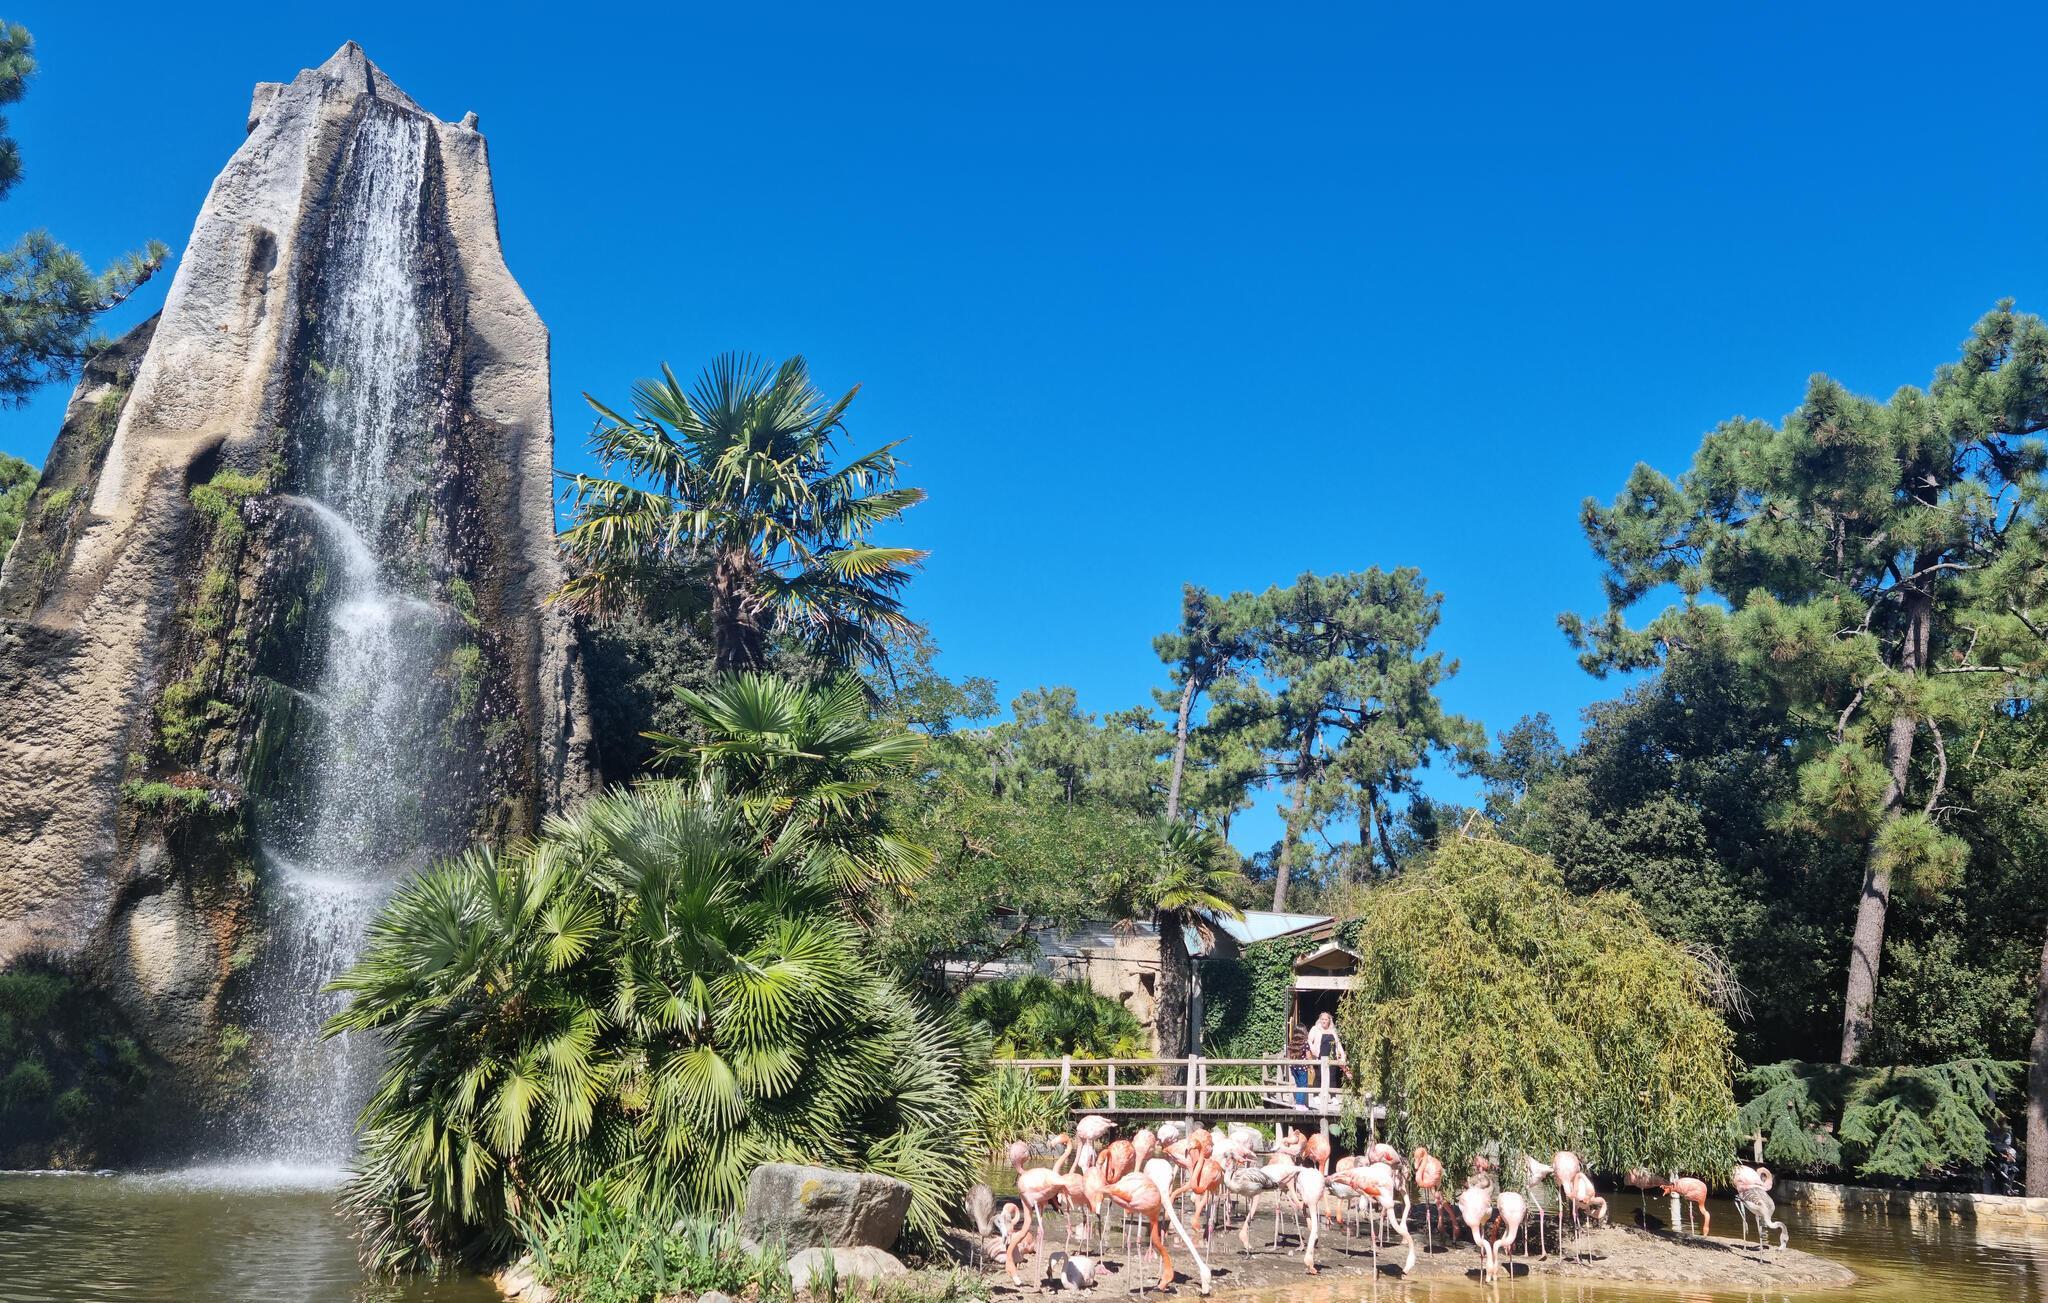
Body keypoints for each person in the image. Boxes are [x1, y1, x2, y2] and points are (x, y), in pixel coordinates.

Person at [1306, 1011, 1345, 1099]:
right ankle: (1316, 1096)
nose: (1324, 1021)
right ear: (1320, 1020)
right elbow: (1309, 1041)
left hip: (1332, 1056)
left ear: (1329, 1020)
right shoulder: (1315, 1029)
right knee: (1318, 1076)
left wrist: (1342, 1055)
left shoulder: (1333, 1030)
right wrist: (1313, 1050)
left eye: (1326, 1019)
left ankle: (1333, 1096)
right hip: (1319, 1056)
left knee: (1332, 1076)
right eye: (1322, 1019)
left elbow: (1338, 1043)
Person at [1285, 1022, 1310, 1107]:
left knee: (1299, 1085)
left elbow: (1289, 1056)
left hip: (1293, 1068)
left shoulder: (1291, 1043)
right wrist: (1311, 1066)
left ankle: (1298, 1103)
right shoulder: (1305, 1044)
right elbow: (1308, 1056)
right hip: (1302, 1068)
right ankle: (1300, 1104)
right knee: (1303, 1086)